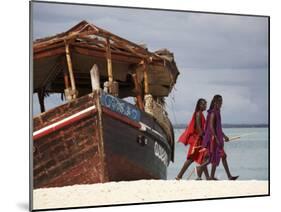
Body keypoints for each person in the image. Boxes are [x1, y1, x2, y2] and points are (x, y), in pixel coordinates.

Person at [201, 95, 239, 180]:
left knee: (221, 156)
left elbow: (218, 128)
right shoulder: (213, 113)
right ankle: (201, 169)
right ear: (215, 102)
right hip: (214, 139)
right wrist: (217, 139)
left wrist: (224, 136)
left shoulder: (217, 112)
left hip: (217, 138)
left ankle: (222, 176)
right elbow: (211, 127)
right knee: (216, 156)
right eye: (220, 102)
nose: (221, 104)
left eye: (221, 102)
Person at [176, 98, 209, 180]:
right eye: (203, 104)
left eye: (205, 104)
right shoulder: (198, 114)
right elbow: (198, 128)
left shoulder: (200, 113)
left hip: (199, 139)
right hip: (197, 140)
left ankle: (205, 177)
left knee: (203, 157)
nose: (205, 106)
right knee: (192, 158)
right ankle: (179, 175)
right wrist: (204, 136)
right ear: (199, 105)